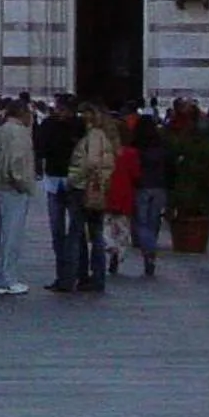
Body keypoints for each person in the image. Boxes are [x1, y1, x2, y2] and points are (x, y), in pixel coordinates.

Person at [35, 94, 84, 293]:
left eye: (63, 109)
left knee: (73, 232)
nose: (60, 112)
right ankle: (64, 275)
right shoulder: (50, 125)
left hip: (73, 182)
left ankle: (70, 276)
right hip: (55, 181)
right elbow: (39, 148)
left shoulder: (79, 126)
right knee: (58, 232)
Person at [0, 98, 39, 295]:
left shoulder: (2, 129)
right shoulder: (19, 132)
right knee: (12, 234)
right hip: (13, 187)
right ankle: (9, 279)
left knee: (3, 233)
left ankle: (1, 279)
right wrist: (23, 184)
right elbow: (17, 162)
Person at [72, 103, 119, 292]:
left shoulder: (93, 136)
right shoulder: (105, 137)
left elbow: (91, 163)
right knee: (96, 233)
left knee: (84, 234)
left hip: (88, 188)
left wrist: (72, 179)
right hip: (99, 189)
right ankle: (96, 275)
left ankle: (88, 275)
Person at [132, 116, 170, 278]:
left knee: (141, 221)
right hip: (160, 187)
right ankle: (151, 248)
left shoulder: (136, 147)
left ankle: (148, 251)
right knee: (154, 221)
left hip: (142, 186)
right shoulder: (162, 146)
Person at [105, 119, 141, 278]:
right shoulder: (131, 153)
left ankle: (110, 246)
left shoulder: (105, 152)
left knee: (106, 225)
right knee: (123, 229)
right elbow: (136, 175)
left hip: (107, 192)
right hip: (125, 193)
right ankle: (118, 254)